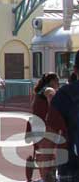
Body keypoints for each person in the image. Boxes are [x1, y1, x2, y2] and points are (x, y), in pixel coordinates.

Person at [45, 51, 79, 181]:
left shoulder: (64, 95)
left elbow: (50, 136)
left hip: (70, 165)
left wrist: (47, 169)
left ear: (75, 70)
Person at [25, 73, 59, 182]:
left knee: (42, 154)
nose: (58, 83)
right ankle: (47, 177)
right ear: (52, 81)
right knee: (47, 155)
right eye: (57, 81)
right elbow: (51, 95)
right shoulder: (48, 89)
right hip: (45, 127)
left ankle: (46, 177)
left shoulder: (38, 92)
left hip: (36, 126)